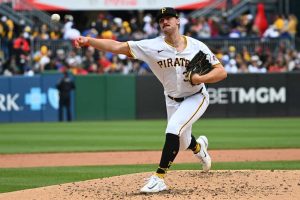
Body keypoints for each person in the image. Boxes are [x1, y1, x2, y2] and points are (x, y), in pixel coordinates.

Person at [75, 7, 227, 193]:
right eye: (161, 19)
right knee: (182, 142)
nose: (165, 21)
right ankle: (200, 148)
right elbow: (117, 46)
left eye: (169, 17)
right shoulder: (151, 46)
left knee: (173, 129)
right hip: (172, 99)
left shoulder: (197, 46)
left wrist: (200, 79)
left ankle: (159, 177)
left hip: (196, 96)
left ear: (178, 21)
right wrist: (89, 40)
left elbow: (221, 72)